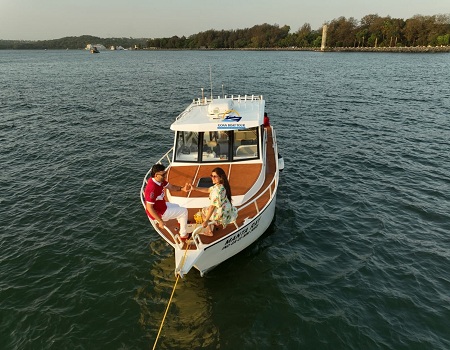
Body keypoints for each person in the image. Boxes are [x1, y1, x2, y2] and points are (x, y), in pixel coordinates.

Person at [144, 164, 190, 240]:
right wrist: (160, 221)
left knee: (177, 206)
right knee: (184, 211)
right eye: (163, 174)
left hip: (162, 206)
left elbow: (171, 187)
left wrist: (182, 189)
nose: (165, 176)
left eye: (165, 173)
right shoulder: (152, 189)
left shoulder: (160, 181)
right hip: (160, 213)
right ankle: (183, 234)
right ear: (156, 175)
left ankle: (181, 222)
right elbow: (149, 207)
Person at [189, 167, 238, 236]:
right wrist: (195, 188)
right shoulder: (221, 185)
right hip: (226, 209)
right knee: (209, 209)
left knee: (203, 212)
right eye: (211, 176)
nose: (212, 178)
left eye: (215, 176)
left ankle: (209, 232)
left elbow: (212, 207)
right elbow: (208, 190)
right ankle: (216, 221)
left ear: (220, 178)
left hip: (221, 213)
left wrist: (205, 221)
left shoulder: (216, 191)